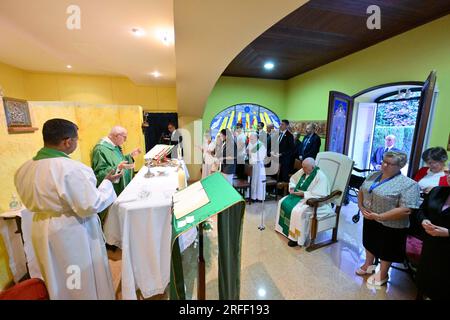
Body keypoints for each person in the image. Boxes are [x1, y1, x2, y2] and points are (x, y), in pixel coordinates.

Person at [14, 118, 122, 300]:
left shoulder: (24, 169)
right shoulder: (71, 169)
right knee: (77, 277)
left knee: (56, 275)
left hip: (41, 228)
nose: (76, 143)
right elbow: (90, 204)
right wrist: (106, 185)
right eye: (76, 139)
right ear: (67, 141)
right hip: (70, 231)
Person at [356, 151, 420, 286]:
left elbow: (407, 209)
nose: (384, 165)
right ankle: (368, 265)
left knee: (386, 249)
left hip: (391, 224)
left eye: (390, 163)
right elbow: (361, 190)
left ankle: (383, 274)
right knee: (369, 242)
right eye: (383, 161)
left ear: (401, 165)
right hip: (370, 218)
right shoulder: (374, 175)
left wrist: (380, 216)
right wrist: (361, 207)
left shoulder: (409, 184)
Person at [275, 158, 333, 247]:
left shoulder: (321, 177)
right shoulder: (304, 170)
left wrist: (304, 194)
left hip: (314, 202)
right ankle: (282, 228)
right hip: (300, 196)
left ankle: (295, 238)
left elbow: (320, 194)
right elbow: (293, 179)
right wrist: (292, 188)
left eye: (306, 168)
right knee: (282, 202)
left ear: (313, 167)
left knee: (297, 212)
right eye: (303, 167)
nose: (303, 170)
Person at [92, 126, 141, 221]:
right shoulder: (100, 149)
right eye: (124, 137)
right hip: (112, 191)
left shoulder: (115, 147)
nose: (125, 140)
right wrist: (118, 168)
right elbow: (99, 173)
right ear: (116, 136)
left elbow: (119, 161)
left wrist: (130, 156)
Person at [415, 166, 450, 300]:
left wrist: (448, 233)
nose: (449, 176)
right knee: (425, 281)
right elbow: (420, 210)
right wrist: (423, 220)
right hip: (431, 246)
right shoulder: (437, 191)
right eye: (449, 173)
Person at [247, 132, 267, 202]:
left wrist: (251, 154)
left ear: (256, 138)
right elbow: (248, 151)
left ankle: (258, 197)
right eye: (250, 138)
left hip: (258, 165)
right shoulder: (251, 143)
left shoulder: (260, 145)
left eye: (252, 138)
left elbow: (261, 156)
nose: (250, 140)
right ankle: (252, 196)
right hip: (252, 164)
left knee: (257, 182)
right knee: (252, 181)